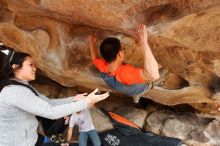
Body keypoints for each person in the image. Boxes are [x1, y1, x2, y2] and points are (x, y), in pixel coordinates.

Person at [0, 44, 109, 146]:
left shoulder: (21, 86)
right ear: (15, 67)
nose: (35, 68)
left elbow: (48, 102)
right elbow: (50, 112)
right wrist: (85, 103)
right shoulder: (14, 92)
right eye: (30, 65)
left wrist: (73, 99)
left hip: (32, 138)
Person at [89, 24, 167, 103]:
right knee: (163, 71)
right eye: (122, 49)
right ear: (119, 54)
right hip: (140, 89)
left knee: (131, 89)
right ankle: (156, 84)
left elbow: (94, 58)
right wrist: (143, 42)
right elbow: (153, 75)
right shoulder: (125, 73)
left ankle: (135, 96)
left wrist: (91, 42)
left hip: (127, 89)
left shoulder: (102, 66)